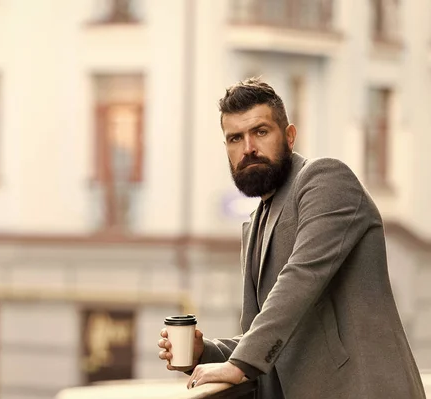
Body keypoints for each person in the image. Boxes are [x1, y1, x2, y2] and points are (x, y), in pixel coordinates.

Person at [157, 78, 426, 398]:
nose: (248, 149)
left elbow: (301, 279)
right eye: (234, 138)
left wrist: (241, 363)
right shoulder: (258, 220)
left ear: (289, 136)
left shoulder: (326, 179)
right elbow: (281, 334)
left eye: (260, 131)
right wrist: (206, 354)